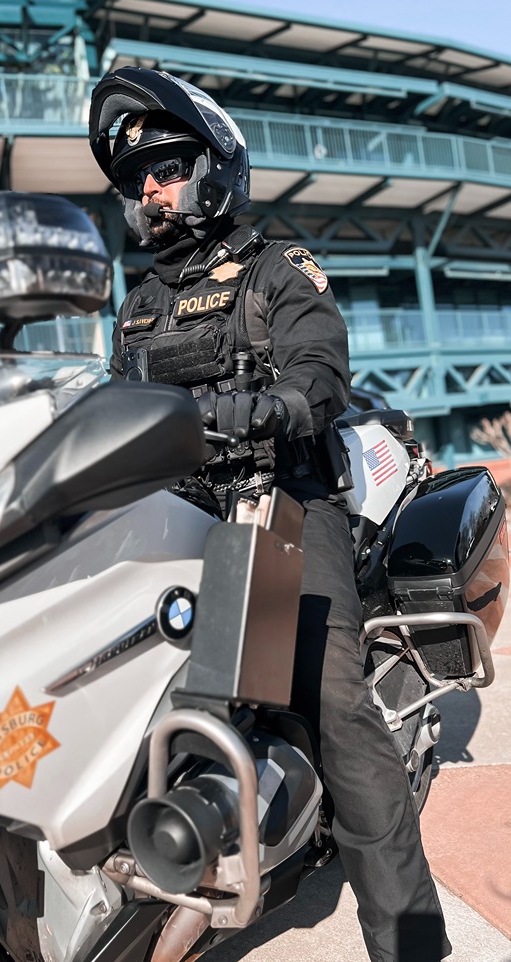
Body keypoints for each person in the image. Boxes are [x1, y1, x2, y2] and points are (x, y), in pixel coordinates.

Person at [88, 67, 451, 962]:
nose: (150, 189)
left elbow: (321, 378)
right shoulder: (139, 309)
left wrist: (261, 408)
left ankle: (409, 941)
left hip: (282, 499)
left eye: (167, 169)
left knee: (336, 701)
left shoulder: (276, 269)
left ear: (214, 169)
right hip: (176, 510)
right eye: (137, 179)